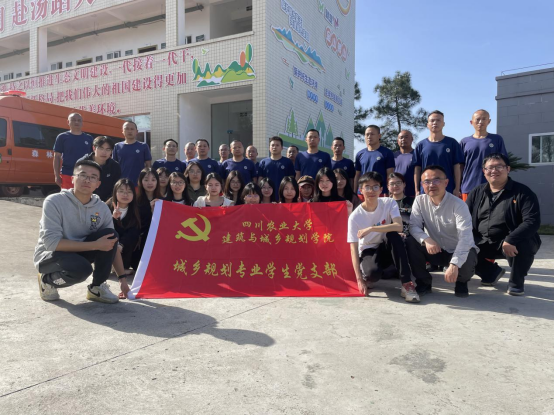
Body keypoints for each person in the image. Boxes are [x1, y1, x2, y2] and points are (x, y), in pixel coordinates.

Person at [35, 160, 120, 304]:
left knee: (111, 235)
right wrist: (95, 245)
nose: (87, 180)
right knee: (81, 270)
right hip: (51, 255)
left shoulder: (102, 208)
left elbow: (110, 243)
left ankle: (97, 287)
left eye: (93, 177)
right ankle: (47, 280)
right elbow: (52, 243)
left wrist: (122, 278)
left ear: (98, 184)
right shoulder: (54, 201)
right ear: (73, 178)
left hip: (79, 253)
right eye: (83, 175)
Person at [466, 153, 541, 296]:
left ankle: (516, 281)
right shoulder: (476, 192)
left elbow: (532, 221)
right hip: (482, 241)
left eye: (499, 166)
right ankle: (490, 273)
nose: (494, 170)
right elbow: (464, 219)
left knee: (524, 241)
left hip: (509, 242)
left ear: (508, 169)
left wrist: (511, 239)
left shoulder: (523, 192)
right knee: (457, 242)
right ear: (484, 171)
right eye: (489, 167)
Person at [406, 165, 478, 298]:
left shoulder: (459, 204)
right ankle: (424, 282)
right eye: (427, 181)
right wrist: (426, 239)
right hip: (435, 249)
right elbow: (414, 226)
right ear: (422, 184)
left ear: (446, 182)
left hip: (456, 250)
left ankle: (462, 282)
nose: (431, 185)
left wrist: (455, 264)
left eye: (436, 180)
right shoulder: (420, 201)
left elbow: (465, 237)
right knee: (411, 242)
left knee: (469, 252)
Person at [347, 171, 419, 302]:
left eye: (375, 187)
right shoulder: (355, 217)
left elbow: (398, 226)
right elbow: (353, 248)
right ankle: (369, 274)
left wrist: (372, 228)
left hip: (386, 246)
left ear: (381, 189)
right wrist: (359, 279)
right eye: (367, 187)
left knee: (394, 235)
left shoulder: (389, 203)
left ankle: (407, 284)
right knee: (372, 274)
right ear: (361, 190)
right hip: (369, 250)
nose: (371, 191)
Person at [460, 109, 508, 200]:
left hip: (492, 187)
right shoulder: (464, 142)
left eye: (484, 119)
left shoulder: (496, 139)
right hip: (468, 186)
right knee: (467, 210)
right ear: (471, 122)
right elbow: (460, 167)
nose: (480, 122)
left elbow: (503, 163)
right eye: (478, 119)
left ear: (489, 121)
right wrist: (457, 186)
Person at [413, 111, 463, 196]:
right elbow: (417, 169)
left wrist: (457, 188)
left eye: (438, 120)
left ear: (443, 124)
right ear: (427, 124)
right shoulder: (421, 145)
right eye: (432, 120)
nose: (435, 123)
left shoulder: (452, 143)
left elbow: (457, 167)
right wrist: (417, 190)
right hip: (426, 190)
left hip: (447, 189)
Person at [107, 178, 141, 298]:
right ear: (115, 192)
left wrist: (121, 244)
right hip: (110, 242)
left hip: (124, 246)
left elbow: (134, 230)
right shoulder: (107, 206)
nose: (125, 195)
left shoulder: (134, 209)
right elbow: (103, 228)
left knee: (133, 234)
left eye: (129, 192)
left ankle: (123, 268)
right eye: (121, 191)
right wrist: (113, 218)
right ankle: (113, 267)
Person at [53, 113, 94, 189]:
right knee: (67, 196)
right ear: (68, 122)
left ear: (82, 123)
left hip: (85, 174)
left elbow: (93, 157)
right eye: (73, 120)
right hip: (67, 174)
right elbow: (57, 157)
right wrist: (57, 175)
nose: (76, 122)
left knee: (83, 195)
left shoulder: (89, 138)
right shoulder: (62, 137)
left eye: (79, 120)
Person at [132, 168, 162, 270]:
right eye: (146, 180)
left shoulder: (162, 200)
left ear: (157, 182)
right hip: (140, 239)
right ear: (140, 181)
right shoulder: (135, 200)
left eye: (153, 180)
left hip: (157, 239)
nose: (150, 183)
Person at [76, 136, 121, 202]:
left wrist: (107, 203)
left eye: (108, 149)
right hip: (83, 200)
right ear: (94, 148)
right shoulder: (83, 163)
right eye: (101, 148)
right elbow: (78, 185)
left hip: (106, 202)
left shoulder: (115, 166)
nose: (104, 152)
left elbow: (115, 188)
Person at [354, 125, 395, 196]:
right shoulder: (360, 154)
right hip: (362, 193)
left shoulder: (387, 153)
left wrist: (389, 191)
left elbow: (390, 174)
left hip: (380, 192)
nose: (369, 136)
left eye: (372, 134)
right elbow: (357, 175)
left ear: (379, 136)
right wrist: (354, 193)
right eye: (367, 134)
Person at [112, 121, 152, 187]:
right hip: (122, 183)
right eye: (127, 129)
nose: (129, 131)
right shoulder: (117, 146)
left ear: (136, 131)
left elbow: (148, 166)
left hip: (139, 183)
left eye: (132, 129)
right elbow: (114, 166)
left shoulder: (143, 146)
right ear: (122, 131)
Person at [258, 137, 295, 201]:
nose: (274, 147)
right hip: (267, 197)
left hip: (284, 196)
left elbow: (291, 179)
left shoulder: (287, 162)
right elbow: (260, 179)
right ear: (269, 147)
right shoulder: (263, 162)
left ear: (282, 147)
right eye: (272, 145)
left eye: (277, 145)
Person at [387, 172, 414, 238]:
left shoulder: (414, 201)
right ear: (388, 187)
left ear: (404, 184)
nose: (395, 186)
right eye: (392, 184)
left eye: (398, 183)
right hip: (391, 238)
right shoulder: (385, 203)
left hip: (412, 237)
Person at [393, 130, 416, 197]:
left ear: (412, 139)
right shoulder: (393, 156)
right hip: (396, 193)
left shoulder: (417, 155)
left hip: (413, 193)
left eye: (406, 137)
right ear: (397, 141)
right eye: (401, 138)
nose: (403, 139)